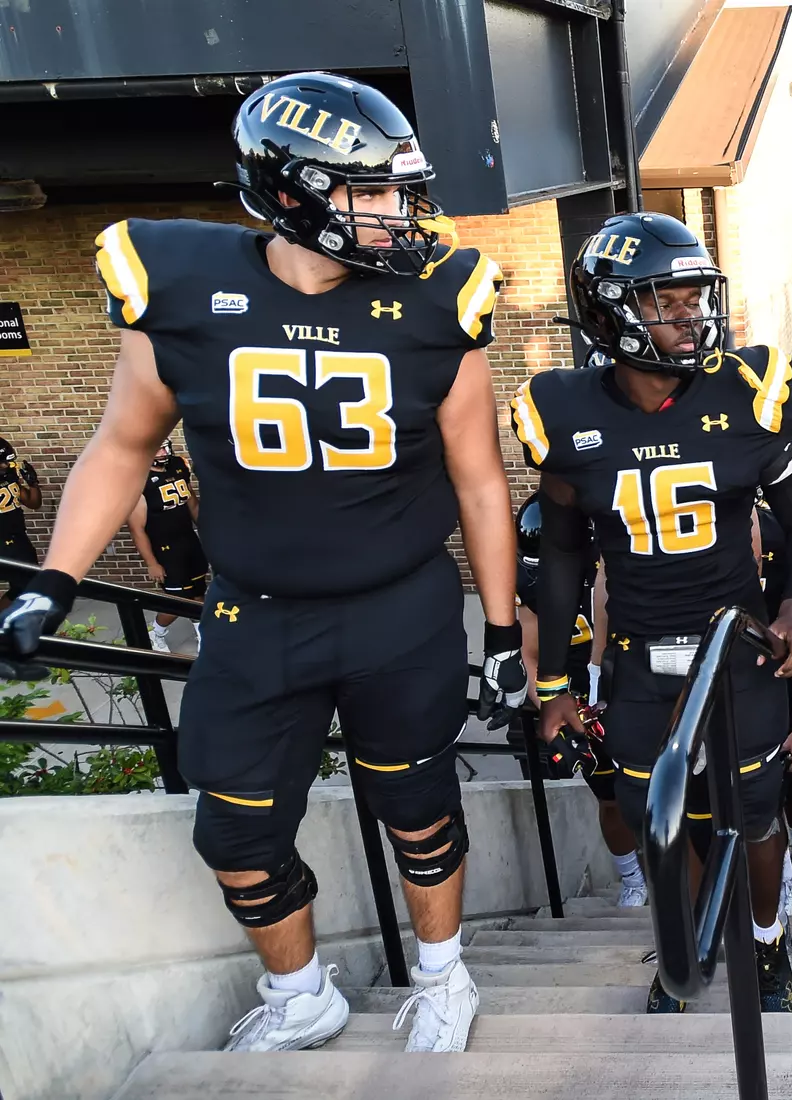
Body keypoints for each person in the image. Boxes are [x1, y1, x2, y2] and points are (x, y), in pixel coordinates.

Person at [0, 72, 528, 1054]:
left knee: (418, 810)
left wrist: (500, 629)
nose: (397, 212)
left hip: (398, 608)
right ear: (290, 190)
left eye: (397, 189)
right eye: (367, 191)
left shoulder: (437, 300)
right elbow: (121, 444)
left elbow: (482, 479)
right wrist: (53, 579)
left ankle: (444, 976)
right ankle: (300, 990)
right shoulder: (184, 284)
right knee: (234, 830)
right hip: (256, 611)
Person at [509, 211, 792, 1015]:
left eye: (696, 295)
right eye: (667, 299)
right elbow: (565, 556)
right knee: (663, 820)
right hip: (641, 659)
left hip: (739, 651)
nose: (692, 315)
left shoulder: (747, 389)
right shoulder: (560, 407)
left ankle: (765, 944)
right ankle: (687, 941)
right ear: (612, 308)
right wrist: (553, 682)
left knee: (753, 819)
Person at [509, 497, 647, 908]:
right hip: (579, 704)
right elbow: (529, 654)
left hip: (637, 689)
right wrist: (550, 702)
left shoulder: (621, 568)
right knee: (610, 798)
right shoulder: (534, 582)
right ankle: (632, 878)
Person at [126, 440, 208, 652]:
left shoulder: (177, 466)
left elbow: (192, 503)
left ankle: (203, 635)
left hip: (188, 540)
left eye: (165, 447)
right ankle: (156, 632)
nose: (163, 452)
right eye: (158, 448)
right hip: (165, 547)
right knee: (179, 598)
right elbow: (137, 529)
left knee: (199, 592)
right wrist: (151, 562)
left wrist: (209, 532)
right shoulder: (138, 480)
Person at [0, 435, 43, 603]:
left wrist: (33, 484)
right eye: (1, 462)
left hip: (19, 540)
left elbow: (34, 503)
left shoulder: (9, 478)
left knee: (26, 585)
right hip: (2, 544)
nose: (6, 466)